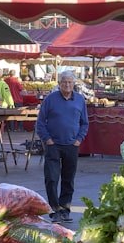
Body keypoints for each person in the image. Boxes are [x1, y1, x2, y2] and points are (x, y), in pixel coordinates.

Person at [36, 70, 88, 223]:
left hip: (71, 145)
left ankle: (65, 209)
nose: (67, 85)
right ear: (59, 84)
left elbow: (84, 123)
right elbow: (40, 122)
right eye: (64, 82)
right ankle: (54, 209)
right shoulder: (50, 99)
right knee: (51, 178)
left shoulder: (79, 100)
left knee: (68, 179)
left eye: (70, 82)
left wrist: (79, 139)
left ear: (74, 84)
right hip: (53, 145)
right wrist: (48, 140)